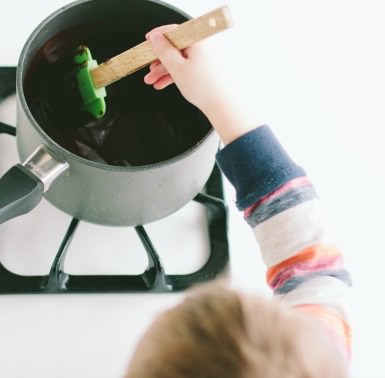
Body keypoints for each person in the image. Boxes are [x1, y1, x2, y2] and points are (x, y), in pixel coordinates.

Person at [124, 26, 352, 378]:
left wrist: (219, 100)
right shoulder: (318, 357)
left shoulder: (322, 355)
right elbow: (313, 266)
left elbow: (316, 274)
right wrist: (218, 100)